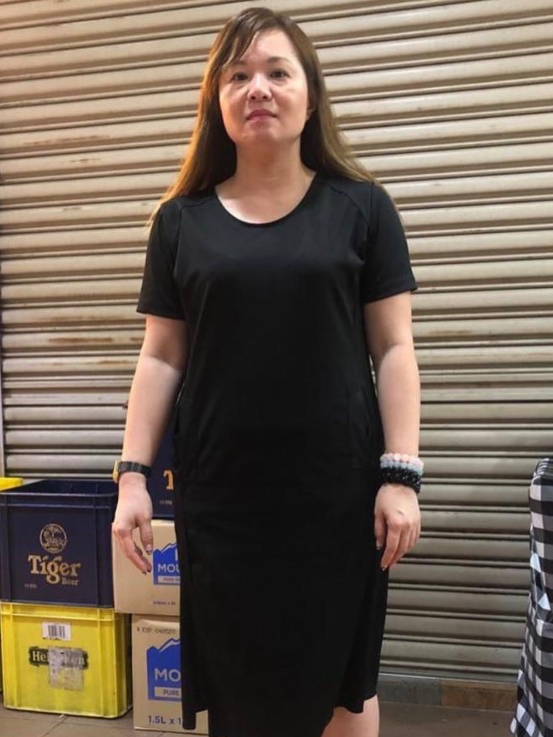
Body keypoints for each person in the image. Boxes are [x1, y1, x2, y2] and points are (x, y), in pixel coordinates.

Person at [111, 7, 422, 737]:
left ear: (309, 97)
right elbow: (160, 356)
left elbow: (394, 349)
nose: (258, 88)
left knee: (345, 682)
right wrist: (131, 477)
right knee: (239, 680)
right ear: (216, 103)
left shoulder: (363, 209)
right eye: (239, 76)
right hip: (223, 499)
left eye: (278, 72)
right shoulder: (179, 222)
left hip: (336, 494)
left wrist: (401, 474)